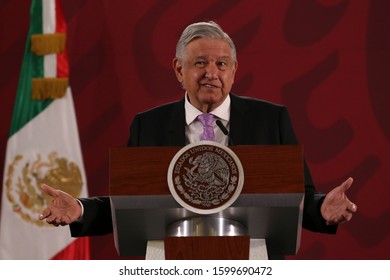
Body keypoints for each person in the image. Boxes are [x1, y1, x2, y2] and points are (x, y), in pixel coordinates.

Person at [39, 21, 357, 252]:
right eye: (200, 63)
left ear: (233, 70)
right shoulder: (147, 125)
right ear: (179, 69)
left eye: (221, 64)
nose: (211, 73)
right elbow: (130, 204)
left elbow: (299, 197)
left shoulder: (270, 120)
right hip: (170, 260)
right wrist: (80, 210)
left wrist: (322, 210)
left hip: (254, 259)